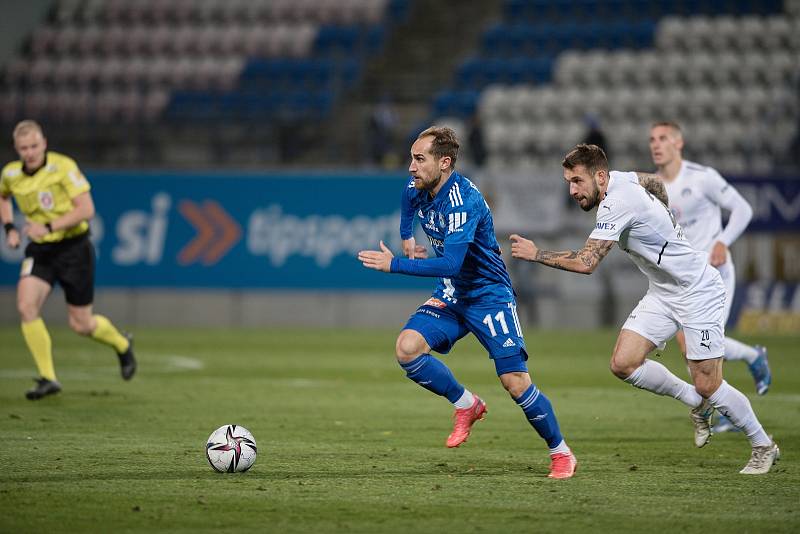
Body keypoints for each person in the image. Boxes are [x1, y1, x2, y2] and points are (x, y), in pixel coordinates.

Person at [509, 144, 778, 475]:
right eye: (569, 182)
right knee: (623, 363)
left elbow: (586, 262)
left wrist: (537, 254)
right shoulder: (622, 179)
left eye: (577, 181)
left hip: (698, 291)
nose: (573, 190)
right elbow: (654, 182)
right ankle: (696, 403)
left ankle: (763, 445)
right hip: (663, 293)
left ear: (600, 176)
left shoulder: (617, 203)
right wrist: (665, 218)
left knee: (709, 382)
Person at [358, 126, 577, 479]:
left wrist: (396, 264)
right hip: (453, 293)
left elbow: (451, 264)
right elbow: (406, 207)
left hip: (488, 294)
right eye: (411, 158)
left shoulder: (463, 201)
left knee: (515, 382)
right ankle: (467, 404)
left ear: (444, 163)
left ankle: (561, 453)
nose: (410, 167)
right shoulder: (417, 186)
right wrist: (405, 238)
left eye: (419, 159)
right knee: (407, 348)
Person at [650, 121, 771, 433]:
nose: (656, 144)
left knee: (702, 344)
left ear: (679, 143)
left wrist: (723, 241)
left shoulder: (702, 178)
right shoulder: (651, 186)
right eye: (652, 139)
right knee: (691, 347)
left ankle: (727, 408)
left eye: (663, 138)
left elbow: (742, 209)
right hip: (683, 278)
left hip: (714, 273)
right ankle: (749, 360)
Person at [0, 120, 136, 400]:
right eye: (24, 148)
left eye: (34, 146)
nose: (29, 152)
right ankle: (48, 378)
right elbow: (3, 197)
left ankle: (122, 344)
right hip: (40, 251)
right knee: (26, 306)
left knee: (81, 325)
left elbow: (86, 209)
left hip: (74, 249)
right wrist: (9, 228)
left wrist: (48, 227)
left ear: (44, 143)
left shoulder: (63, 167)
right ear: (16, 149)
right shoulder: (11, 173)